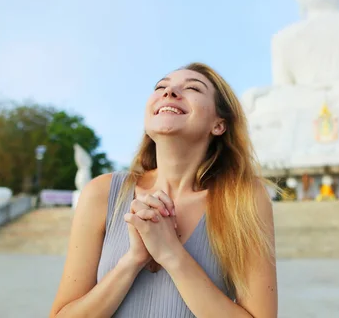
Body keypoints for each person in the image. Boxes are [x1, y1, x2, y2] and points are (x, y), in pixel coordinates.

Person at [50, 63, 278, 317]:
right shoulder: (101, 193)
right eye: (161, 87)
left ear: (219, 124)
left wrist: (171, 254)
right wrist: (133, 260)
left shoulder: (244, 199)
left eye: (192, 88)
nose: (169, 92)